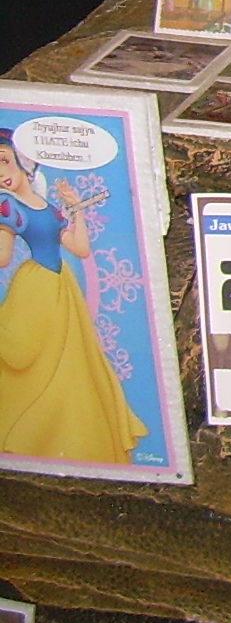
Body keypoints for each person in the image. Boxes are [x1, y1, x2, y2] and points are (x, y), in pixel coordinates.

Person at [0, 127, 148, 465]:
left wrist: (76, 209)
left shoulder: (49, 208)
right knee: (27, 358)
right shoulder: (7, 208)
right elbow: (3, 256)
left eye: (4, 161)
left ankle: (64, 439)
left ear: (22, 162)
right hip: (34, 291)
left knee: (68, 364)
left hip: (61, 289)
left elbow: (80, 248)